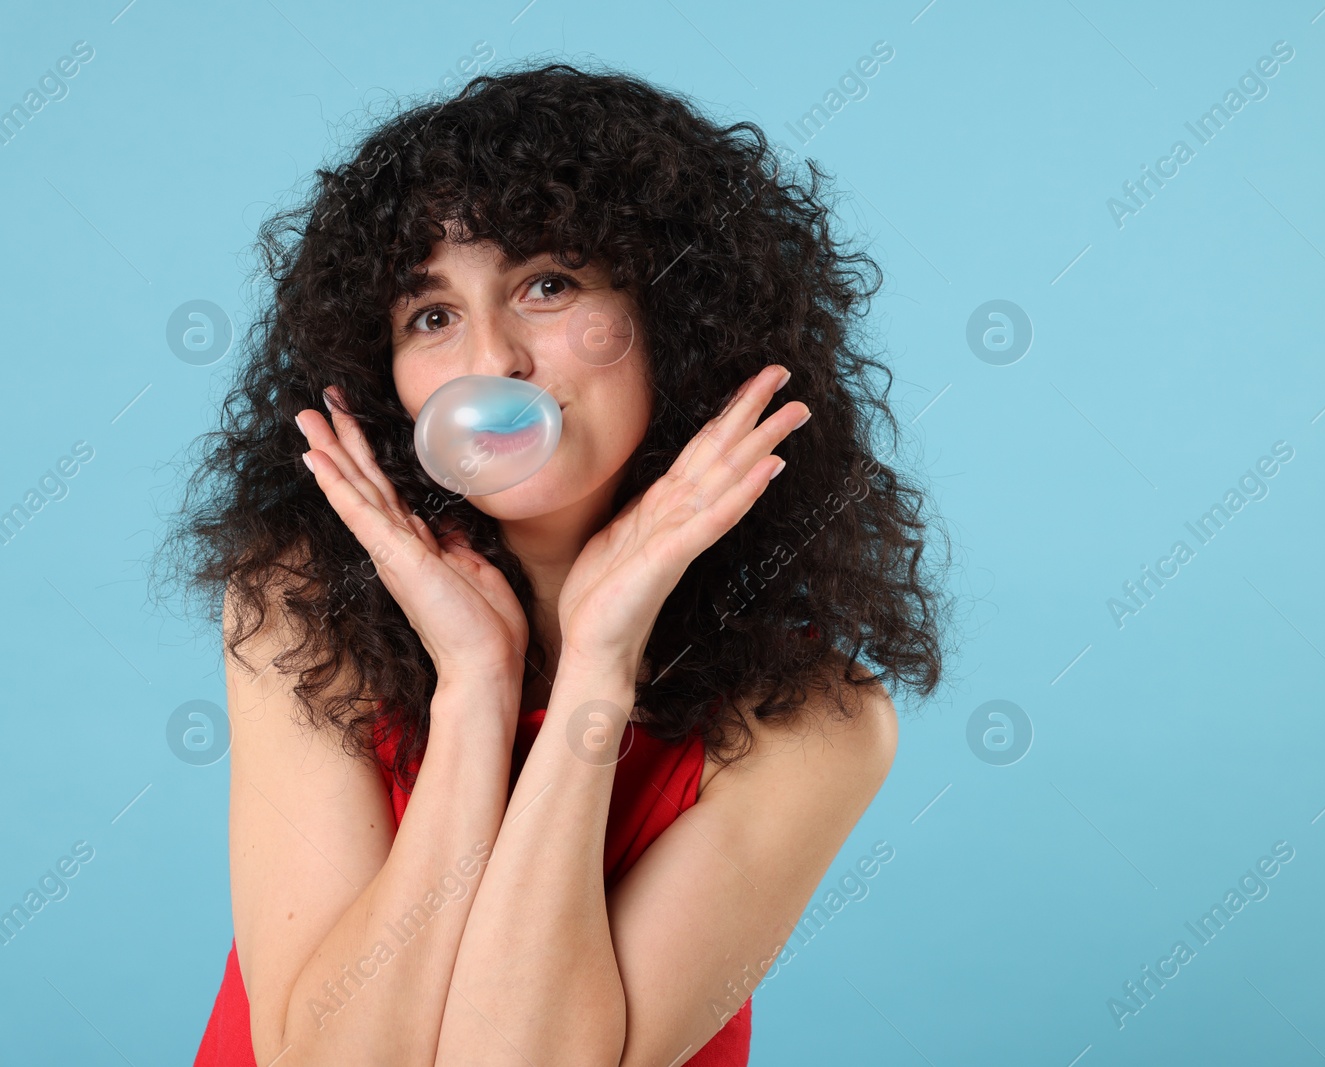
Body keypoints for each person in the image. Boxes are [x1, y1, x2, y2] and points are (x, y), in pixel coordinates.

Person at [166, 60, 949, 1066]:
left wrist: (595, 666)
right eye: (431, 314)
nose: (491, 360)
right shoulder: (297, 607)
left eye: (547, 284)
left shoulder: (816, 722)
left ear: (678, 317)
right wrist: (476, 685)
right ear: (386, 376)